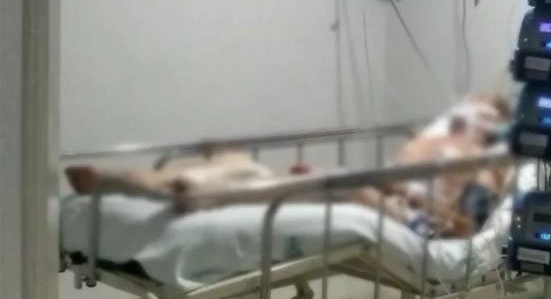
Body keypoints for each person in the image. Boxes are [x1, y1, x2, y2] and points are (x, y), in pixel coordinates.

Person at [65, 93, 511, 238]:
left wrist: (402, 193)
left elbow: (461, 229)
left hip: (419, 226)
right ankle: (187, 180)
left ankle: (196, 185)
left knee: (346, 185)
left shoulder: (490, 170)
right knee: (261, 173)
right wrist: (398, 187)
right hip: (393, 200)